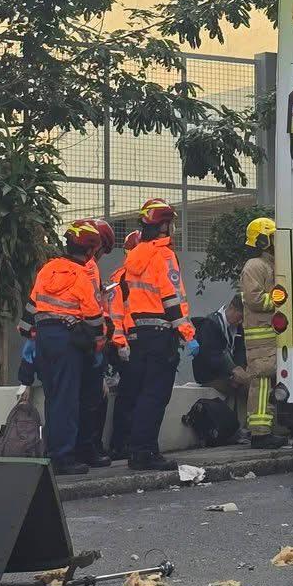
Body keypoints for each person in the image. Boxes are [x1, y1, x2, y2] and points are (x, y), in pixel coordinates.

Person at [23, 221, 106, 476]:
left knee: (54, 398)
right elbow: (93, 316)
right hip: (67, 340)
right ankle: (63, 457)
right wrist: (97, 343)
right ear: (91, 251)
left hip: (44, 339)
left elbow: (31, 305)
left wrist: (29, 337)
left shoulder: (48, 268)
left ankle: (54, 451)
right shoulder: (82, 275)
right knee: (68, 401)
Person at [119, 198, 196, 472]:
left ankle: (137, 449)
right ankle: (144, 453)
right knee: (155, 395)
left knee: (142, 395)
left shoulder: (133, 257)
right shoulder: (164, 255)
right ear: (164, 225)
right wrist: (187, 333)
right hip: (161, 333)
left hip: (139, 335)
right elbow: (171, 297)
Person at [73, 221, 117, 469]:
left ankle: (86, 448)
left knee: (85, 398)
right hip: (90, 339)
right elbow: (92, 305)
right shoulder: (89, 268)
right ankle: (89, 448)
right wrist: (102, 335)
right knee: (93, 399)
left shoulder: (71, 266)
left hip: (80, 337)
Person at [240, 216, 279, 446]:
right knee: (262, 382)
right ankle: (260, 433)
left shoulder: (271, 264)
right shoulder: (254, 266)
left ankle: (268, 429)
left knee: (271, 383)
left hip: (271, 335)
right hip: (261, 336)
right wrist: (281, 300)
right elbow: (254, 299)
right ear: (263, 240)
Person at [105, 229, 141, 461]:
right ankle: (121, 444)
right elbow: (116, 316)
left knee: (136, 395)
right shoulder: (122, 280)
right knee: (129, 395)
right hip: (127, 344)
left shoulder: (137, 277)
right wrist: (121, 345)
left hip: (137, 342)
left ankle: (129, 443)